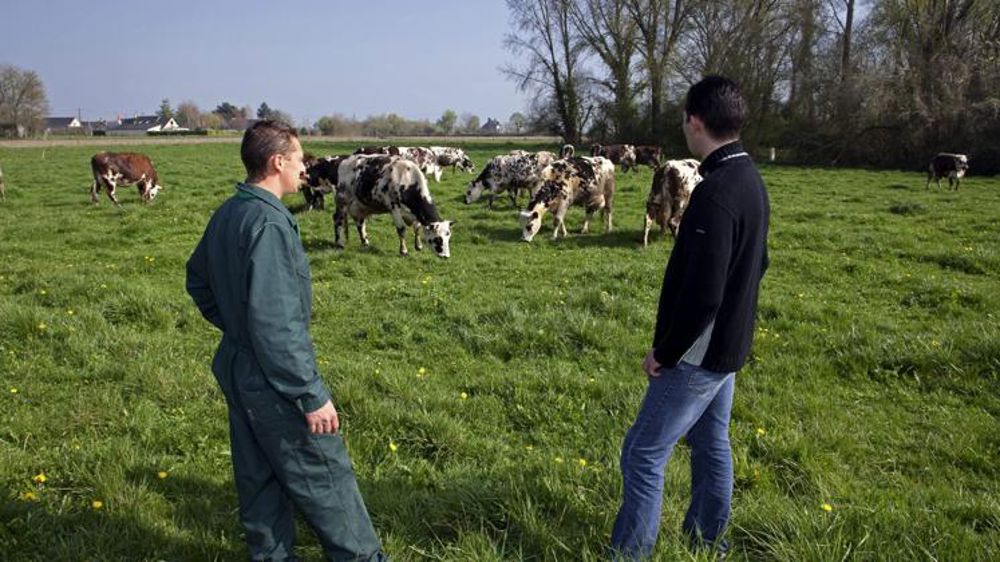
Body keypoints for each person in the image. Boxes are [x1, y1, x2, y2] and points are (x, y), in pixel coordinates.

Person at [186, 120, 387, 562]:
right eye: (299, 158)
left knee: (259, 480)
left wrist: (238, 326)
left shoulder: (230, 210)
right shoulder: (269, 224)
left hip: (239, 365)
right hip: (274, 378)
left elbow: (197, 280)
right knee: (325, 479)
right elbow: (277, 325)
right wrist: (310, 394)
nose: (305, 167)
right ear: (277, 161)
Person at [610, 76, 770, 559]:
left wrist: (665, 351)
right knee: (710, 442)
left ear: (694, 121)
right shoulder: (750, 179)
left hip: (699, 354)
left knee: (642, 454)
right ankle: (707, 542)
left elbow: (703, 293)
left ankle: (629, 554)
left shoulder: (715, 191)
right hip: (729, 346)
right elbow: (758, 262)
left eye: (684, 118)